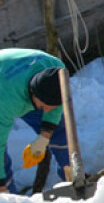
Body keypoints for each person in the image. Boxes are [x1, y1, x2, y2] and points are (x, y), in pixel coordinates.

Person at [1, 48, 70, 193]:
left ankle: (72, 177)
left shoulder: (57, 72)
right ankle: (9, 202)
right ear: (33, 94)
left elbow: (56, 106)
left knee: (60, 130)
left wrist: (44, 136)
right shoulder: (7, 103)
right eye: (45, 107)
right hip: (6, 92)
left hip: (17, 79)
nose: (48, 111)